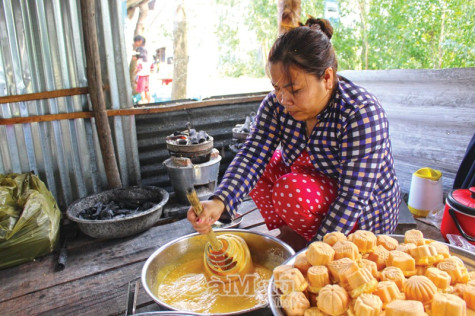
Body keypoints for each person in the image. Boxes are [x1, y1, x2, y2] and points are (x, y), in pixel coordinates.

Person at [187, 18, 401, 249]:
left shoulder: (360, 113)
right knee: (263, 166)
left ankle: (317, 244)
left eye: (294, 90)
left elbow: (353, 197)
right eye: (276, 88)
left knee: (291, 190)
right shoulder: (276, 104)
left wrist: (317, 253)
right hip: (315, 187)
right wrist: (220, 201)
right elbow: (252, 154)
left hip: (362, 214)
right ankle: (295, 235)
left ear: (327, 78)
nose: (283, 99)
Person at [133, 35, 152, 104]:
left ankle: (143, 100)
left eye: (136, 41)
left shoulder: (140, 60)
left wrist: (135, 72)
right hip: (147, 74)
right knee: (146, 89)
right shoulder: (147, 58)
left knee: (142, 89)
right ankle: (149, 99)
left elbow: (139, 67)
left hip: (141, 75)